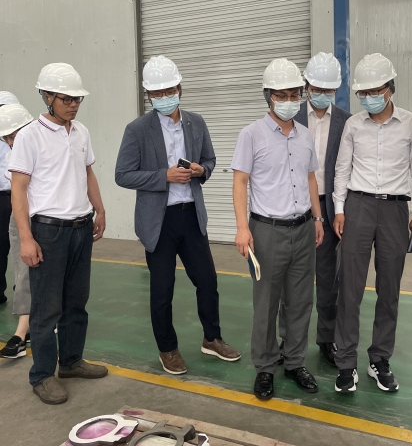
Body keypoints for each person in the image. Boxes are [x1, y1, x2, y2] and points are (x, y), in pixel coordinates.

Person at [115, 55, 240, 376]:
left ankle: (212, 338)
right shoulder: (137, 130)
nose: (164, 97)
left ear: (180, 88)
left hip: (191, 216)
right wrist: (164, 176)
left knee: (207, 281)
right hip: (158, 221)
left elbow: (210, 160)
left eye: (169, 90)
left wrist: (201, 170)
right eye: (157, 93)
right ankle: (167, 348)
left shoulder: (196, 123)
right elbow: (123, 175)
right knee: (162, 288)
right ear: (148, 95)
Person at [9, 63, 107, 405]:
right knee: (47, 308)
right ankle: (42, 375)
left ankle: (71, 362)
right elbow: (19, 190)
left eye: (77, 99)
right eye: (67, 99)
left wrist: (99, 209)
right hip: (48, 231)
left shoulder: (80, 132)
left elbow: (87, 173)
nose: (74, 105)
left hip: (81, 228)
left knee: (76, 302)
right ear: (47, 96)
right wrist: (26, 238)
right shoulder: (29, 137)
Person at [332, 53, 412, 394]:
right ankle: (345, 362)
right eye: (363, 92)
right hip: (357, 206)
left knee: (389, 288)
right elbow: (342, 169)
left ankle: (379, 359)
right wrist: (339, 209)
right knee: (350, 287)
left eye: (375, 91)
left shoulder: (411, 124)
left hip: (395, 210)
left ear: (390, 88)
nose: (369, 97)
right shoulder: (353, 125)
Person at [232, 57, 324, 401]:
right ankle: (266, 367)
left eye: (294, 94)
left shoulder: (304, 135)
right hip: (267, 230)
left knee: (300, 301)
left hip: (303, 228)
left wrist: (318, 219)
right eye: (281, 95)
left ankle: (295, 362)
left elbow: (311, 178)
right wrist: (242, 229)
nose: (289, 101)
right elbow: (240, 182)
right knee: (267, 303)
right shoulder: (251, 135)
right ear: (268, 96)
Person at [282, 52, 350, 366]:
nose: (322, 94)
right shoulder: (290, 117)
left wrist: (341, 209)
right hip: (294, 206)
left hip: (330, 204)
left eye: (328, 90)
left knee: (328, 278)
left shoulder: (346, 121)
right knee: (291, 279)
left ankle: (327, 339)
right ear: (306, 86)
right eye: (317, 88)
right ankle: (287, 340)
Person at [0, 104, 33, 359]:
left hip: (48, 216)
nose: (11, 142)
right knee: (23, 272)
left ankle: (32, 327)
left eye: (14, 135)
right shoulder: (13, 154)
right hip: (19, 213)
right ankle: (23, 332)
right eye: (6, 138)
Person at [0, 90, 19, 305]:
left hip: (18, 196)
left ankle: (22, 292)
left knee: (22, 247)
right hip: (2, 198)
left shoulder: (23, 137)